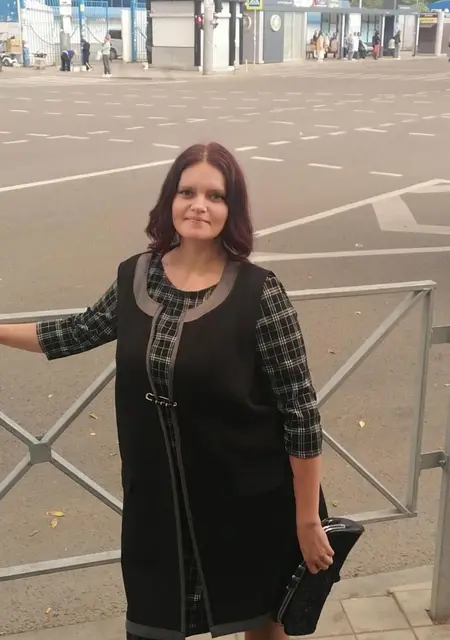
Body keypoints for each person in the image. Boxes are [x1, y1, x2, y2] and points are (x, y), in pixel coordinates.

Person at [0, 142, 334, 640]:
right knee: (151, 626)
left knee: (264, 629)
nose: (199, 205)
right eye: (187, 192)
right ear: (169, 200)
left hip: (250, 503)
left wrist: (306, 519)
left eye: (215, 196)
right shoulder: (137, 275)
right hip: (159, 508)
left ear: (232, 209)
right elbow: (76, 332)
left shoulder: (260, 293)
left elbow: (301, 414)